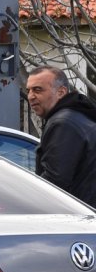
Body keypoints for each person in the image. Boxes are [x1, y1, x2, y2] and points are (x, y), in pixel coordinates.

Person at [26, 65, 96, 205]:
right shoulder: (78, 115)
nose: (31, 96)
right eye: (28, 90)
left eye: (38, 90)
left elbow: (54, 183)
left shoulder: (63, 123)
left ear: (61, 92)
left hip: (77, 217)